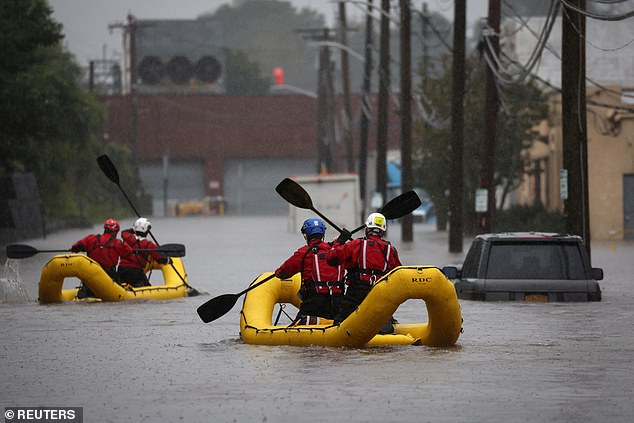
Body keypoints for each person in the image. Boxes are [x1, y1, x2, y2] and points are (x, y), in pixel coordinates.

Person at [327, 212, 402, 332]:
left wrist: (340, 241)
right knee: (383, 317)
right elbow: (399, 275)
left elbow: (331, 259)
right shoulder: (391, 250)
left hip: (357, 292)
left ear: (367, 229)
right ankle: (387, 327)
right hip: (381, 292)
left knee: (340, 323)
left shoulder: (357, 244)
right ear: (382, 231)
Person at [274, 218, 345, 325]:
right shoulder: (337, 250)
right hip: (337, 302)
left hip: (314, 303)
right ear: (322, 234)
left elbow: (282, 273)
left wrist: (277, 273)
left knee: (296, 326)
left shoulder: (304, 252)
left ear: (306, 235)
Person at [71, 218, 133, 297]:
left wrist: (75, 249)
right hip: (108, 276)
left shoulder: (91, 238)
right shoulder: (118, 243)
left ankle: (86, 291)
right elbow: (129, 253)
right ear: (115, 231)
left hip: (90, 274)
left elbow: (76, 247)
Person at [118, 217, 169, 287]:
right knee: (147, 287)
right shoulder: (148, 244)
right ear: (147, 231)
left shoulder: (127, 237)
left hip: (121, 270)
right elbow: (161, 258)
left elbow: (125, 232)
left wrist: (135, 229)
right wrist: (167, 260)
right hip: (136, 272)